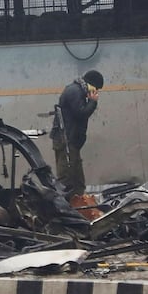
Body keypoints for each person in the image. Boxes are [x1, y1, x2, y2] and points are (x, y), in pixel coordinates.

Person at [49, 70, 104, 199]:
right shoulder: (75, 91)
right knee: (67, 177)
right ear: (91, 84)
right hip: (66, 140)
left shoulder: (78, 90)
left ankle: (79, 204)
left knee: (77, 177)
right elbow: (80, 114)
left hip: (70, 140)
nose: (96, 92)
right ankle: (66, 207)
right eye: (96, 88)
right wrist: (93, 102)